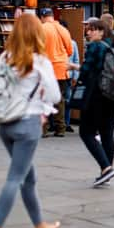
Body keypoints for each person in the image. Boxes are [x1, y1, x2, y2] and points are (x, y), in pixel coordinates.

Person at [0, 14, 61, 228]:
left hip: (6, 123)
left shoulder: (4, 57)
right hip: (28, 124)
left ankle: (40, 226)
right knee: (15, 178)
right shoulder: (40, 61)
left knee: (28, 177)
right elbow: (55, 95)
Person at [77, 20, 114, 187]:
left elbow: (86, 71)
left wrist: (77, 70)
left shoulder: (95, 46)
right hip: (113, 96)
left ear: (101, 32)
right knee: (107, 134)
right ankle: (107, 172)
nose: (88, 33)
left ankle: (105, 168)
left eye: (92, 30)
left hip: (97, 96)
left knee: (86, 132)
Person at [40, 8, 73, 138]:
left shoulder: (42, 28)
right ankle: (61, 129)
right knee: (60, 100)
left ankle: (44, 129)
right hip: (62, 68)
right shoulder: (63, 30)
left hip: (47, 69)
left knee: (44, 99)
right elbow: (69, 50)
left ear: (42, 17)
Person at [59, 20, 79, 133]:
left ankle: (66, 123)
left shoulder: (73, 43)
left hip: (69, 76)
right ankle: (56, 123)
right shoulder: (55, 43)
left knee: (68, 100)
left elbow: (76, 59)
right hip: (57, 74)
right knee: (57, 100)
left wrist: (75, 76)